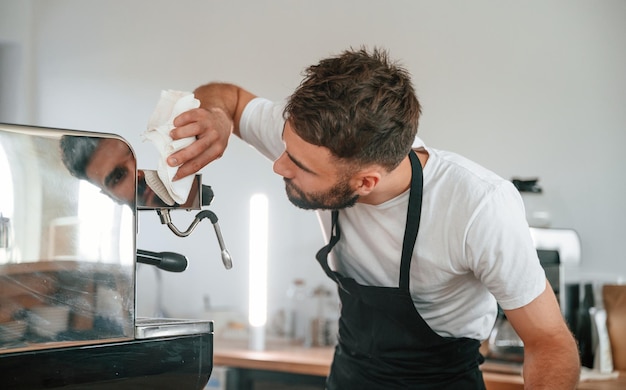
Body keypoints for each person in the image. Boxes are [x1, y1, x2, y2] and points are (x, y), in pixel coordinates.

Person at [165, 47, 580, 389]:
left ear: (365, 182)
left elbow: (550, 342)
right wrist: (219, 115)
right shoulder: (312, 137)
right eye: (285, 147)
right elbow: (228, 96)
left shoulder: (478, 206)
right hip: (350, 377)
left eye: (299, 165)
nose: (278, 166)